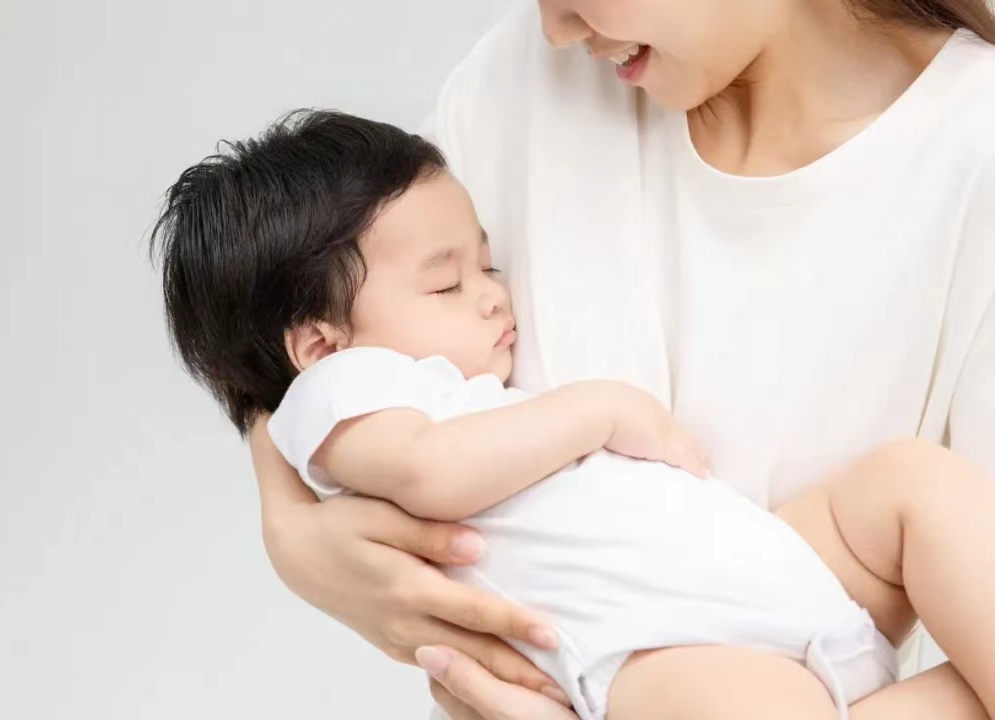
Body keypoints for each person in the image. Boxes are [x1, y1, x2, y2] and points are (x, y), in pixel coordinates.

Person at [246, 1, 995, 718]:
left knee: (912, 487)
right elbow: (300, 310)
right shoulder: (527, 81)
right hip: (670, 653)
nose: (554, 26)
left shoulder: (970, 152)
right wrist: (290, 528)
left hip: (782, 568)